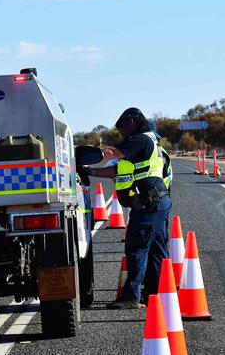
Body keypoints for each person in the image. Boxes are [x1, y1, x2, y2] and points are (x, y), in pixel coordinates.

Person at [85, 107, 171, 309]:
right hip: (158, 200)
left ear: (133, 121)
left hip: (149, 201)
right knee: (157, 249)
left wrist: (84, 156)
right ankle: (155, 294)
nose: (122, 131)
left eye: (122, 126)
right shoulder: (150, 143)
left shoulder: (140, 139)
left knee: (136, 247)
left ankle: (131, 296)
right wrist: (91, 171)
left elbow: (111, 153)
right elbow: (117, 170)